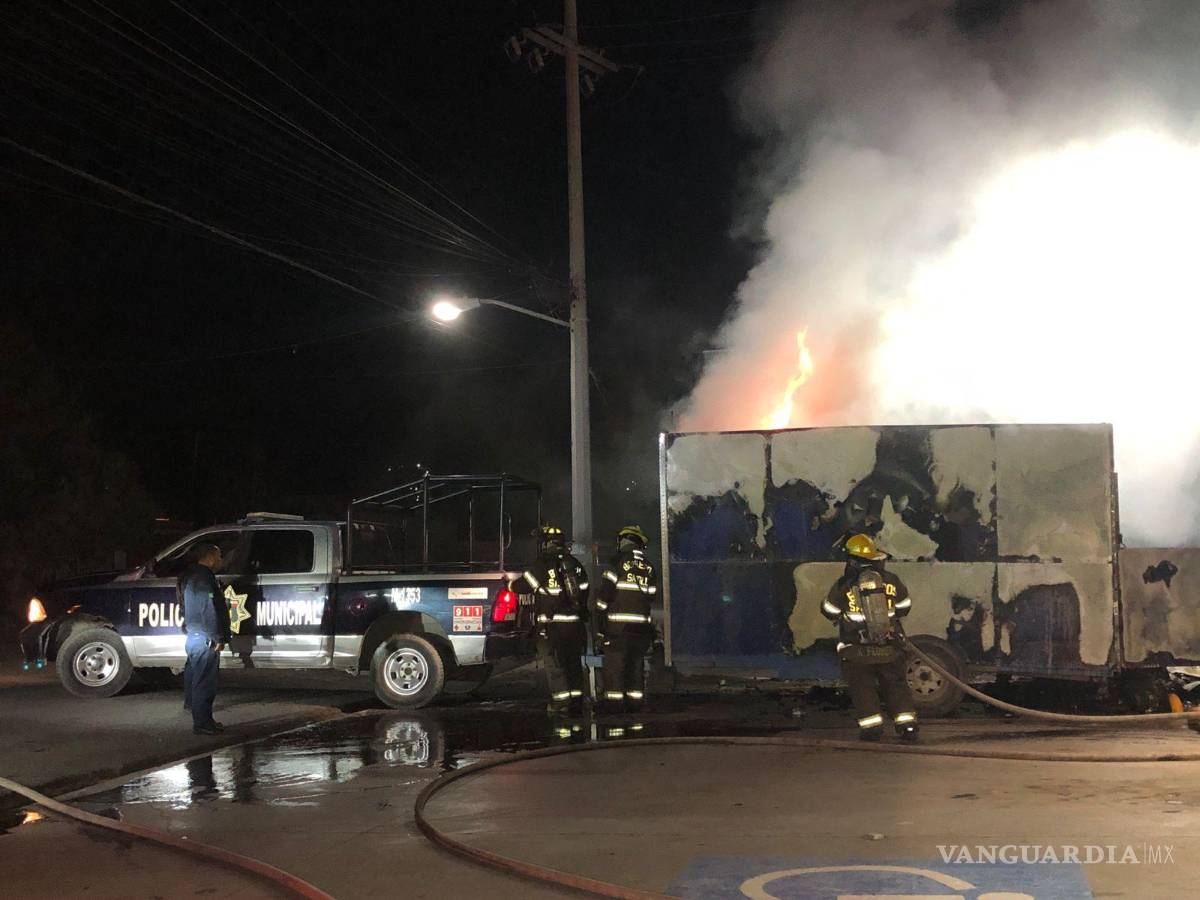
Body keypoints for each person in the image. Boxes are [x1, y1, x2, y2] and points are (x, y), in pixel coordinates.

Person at [820, 533, 918, 742]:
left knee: (863, 689)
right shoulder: (891, 580)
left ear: (851, 560)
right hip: (890, 647)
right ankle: (907, 725)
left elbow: (829, 611)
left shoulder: (844, 584)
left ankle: (872, 729)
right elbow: (904, 608)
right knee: (896, 686)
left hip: (856, 650)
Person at [512, 525, 589, 716]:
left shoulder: (542, 564)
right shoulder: (576, 565)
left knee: (555, 666)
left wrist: (509, 582)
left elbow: (522, 586)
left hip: (551, 627)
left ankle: (560, 705)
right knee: (573, 665)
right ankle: (576, 703)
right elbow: (584, 594)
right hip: (575, 627)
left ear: (545, 544)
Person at [595, 524, 658, 713]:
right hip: (641, 629)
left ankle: (615, 710)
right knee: (635, 668)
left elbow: (604, 595)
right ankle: (635, 707)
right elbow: (652, 596)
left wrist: (600, 625)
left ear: (623, 540)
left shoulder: (616, 562)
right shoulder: (648, 566)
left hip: (618, 629)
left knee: (615, 669)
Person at [181, 543, 230, 735]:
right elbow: (208, 609)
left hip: (195, 635)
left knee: (195, 677)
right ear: (209, 558)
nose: (220, 560)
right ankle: (202, 723)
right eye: (218, 556)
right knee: (205, 683)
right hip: (204, 638)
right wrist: (217, 636)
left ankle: (200, 716)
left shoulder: (192, 577)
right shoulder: (203, 579)